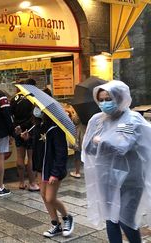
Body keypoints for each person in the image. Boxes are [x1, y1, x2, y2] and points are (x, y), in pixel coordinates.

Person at [82, 80, 151, 243]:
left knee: (126, 221)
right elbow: (88, 148)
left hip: (130, 180)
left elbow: (122, 146)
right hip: (105, 177)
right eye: (101, 99)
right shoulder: (97, 120)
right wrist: (97, 142)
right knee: (110, 219)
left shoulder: (132, 119)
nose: (104, 103)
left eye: (108, 98)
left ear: (120, 97)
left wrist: (102, 141)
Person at [21, 105, 74, 238]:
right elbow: (38, 146)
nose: (37, 110)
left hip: (52, 169)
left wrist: (55, 173)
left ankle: (67, 217)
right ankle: (55, 224)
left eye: (40, 108)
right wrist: (28, 138)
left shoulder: (56, 129)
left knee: (50, 198)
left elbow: (61, 153)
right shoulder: (38, 126)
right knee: (44, 196)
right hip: (41, 168)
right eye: (35, 107)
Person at [10, 79, 39, 191]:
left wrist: (16, 127)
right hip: (30, 130)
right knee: (31, 158)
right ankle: (32, 183)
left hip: (18, 130)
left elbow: (10, 115)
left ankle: (21, 182)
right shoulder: (33, 98)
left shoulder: (15, 98)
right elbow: (35, 116)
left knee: (20, 156)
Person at [66, 107, 85, 178]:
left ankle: (77, 172)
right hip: (84, 134)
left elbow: (76, 121)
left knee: (77, 154)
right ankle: (78, 171)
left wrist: (72, 115)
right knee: (80, 154)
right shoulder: (88, 114)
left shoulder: (81, 112)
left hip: (80, 136)